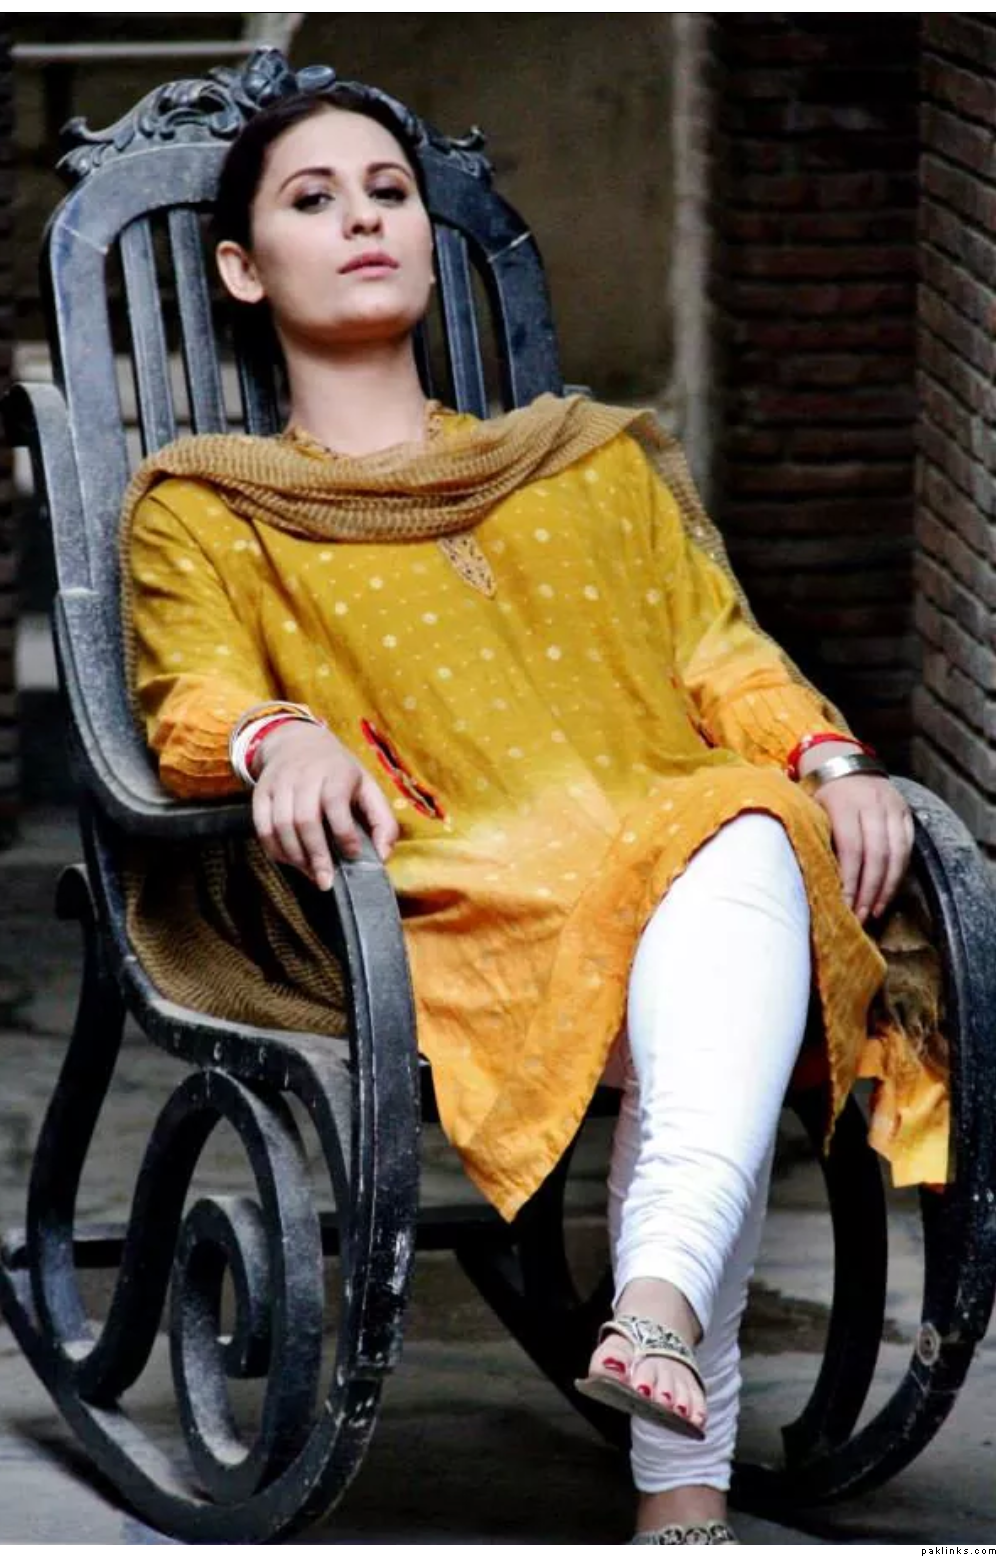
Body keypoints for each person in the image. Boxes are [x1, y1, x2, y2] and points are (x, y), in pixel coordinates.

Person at [121, 84, 946, 1543]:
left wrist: (832, 759)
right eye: (313, 199)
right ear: (244, 269)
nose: (363, 217)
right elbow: (188, 690)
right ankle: (676, 1463)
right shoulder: (207, 506)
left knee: (745, 832)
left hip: (684, 843)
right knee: (733, 902)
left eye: (387, 191)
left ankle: (659, 1353)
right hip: (446, 885)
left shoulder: (584, 463)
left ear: (426, 237)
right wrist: (276, 737)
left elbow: (720, 653)